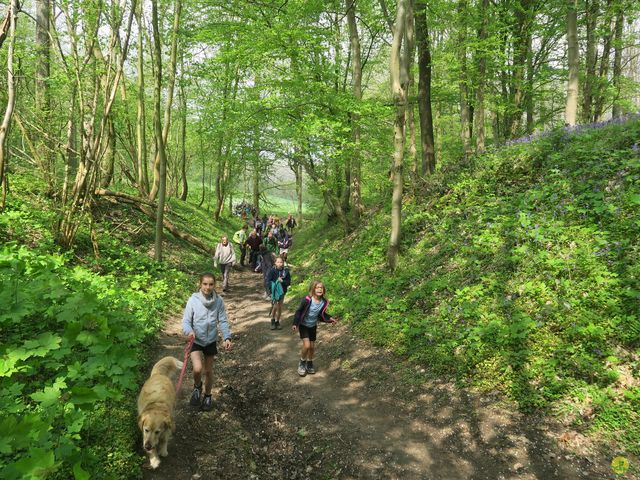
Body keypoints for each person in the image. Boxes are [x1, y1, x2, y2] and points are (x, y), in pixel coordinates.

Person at [182, 274, 232, 411]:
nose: (207, 287)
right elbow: (186, 321)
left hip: (210, 341)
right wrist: (189, 331)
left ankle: (208, 395)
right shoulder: (193, 300)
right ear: (200, 284)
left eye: (211, 284)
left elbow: (222, 320)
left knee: (209, 371)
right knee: (198, 369)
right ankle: (197, 387)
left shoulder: (219, 301)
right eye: (205, 284)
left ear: (214, 285)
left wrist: (227, 337)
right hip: (196, 340)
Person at [292, 281, 338, 376]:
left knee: (312, 347)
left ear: (323, 290)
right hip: (304, 326)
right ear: (313, 289)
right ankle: (302, 362)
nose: (319, 289)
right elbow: (299, 312)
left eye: (321, 288)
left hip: (313, 326)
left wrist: (330, 319)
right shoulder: (307, 300)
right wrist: (295, 324)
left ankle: (309, 363)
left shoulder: (324, 302)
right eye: (317, 287)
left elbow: (322, 315)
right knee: (307, 345)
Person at [266, 256, 291, 330]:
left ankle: (277, 321)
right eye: (278, 262)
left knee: (280, 307)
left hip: (282, 291)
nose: (280, 264)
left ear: (283, 263)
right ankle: (273, 320)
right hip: (274, 292)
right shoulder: (272, 271)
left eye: (281, 262)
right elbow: (268, 281)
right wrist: (271, 289)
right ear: (275, 263)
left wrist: (282, 281)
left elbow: (289, 282)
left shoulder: (286, 271)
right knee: (275, 306)